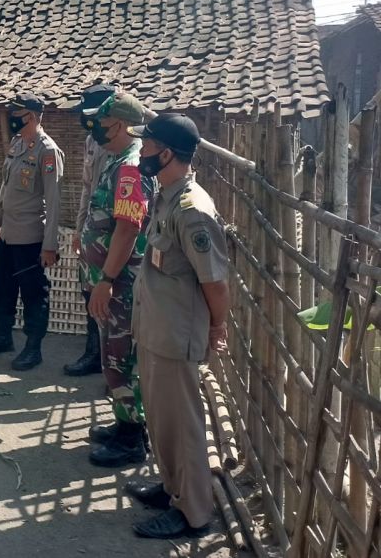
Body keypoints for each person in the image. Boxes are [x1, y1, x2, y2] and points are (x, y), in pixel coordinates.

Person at [124, 113, 229, 539]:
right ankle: (173, 490)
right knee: (162, 420)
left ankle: (195, 514)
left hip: (177, 334)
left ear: (166, 153)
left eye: (147, 145)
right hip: (156, 329)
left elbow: (216, 283)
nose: (142, 151)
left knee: (183, 426)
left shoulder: (192, 211)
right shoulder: (167, 195)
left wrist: (217, 328)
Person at [81, 91, 155, 467]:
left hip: (121, 284)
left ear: (122, 125)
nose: (95, 129)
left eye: (101, 123)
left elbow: (127, 230)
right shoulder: (119, 161)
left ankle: (131, 438)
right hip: (112, 281)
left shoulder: (130, 166)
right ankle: (122, 424)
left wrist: (106, 279)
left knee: (119, 356)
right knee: (113, 354)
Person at [0, 93, 64, 371]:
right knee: (2, 287)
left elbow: (53, 200)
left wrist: (49, 245)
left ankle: (32, 348)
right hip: (7, 234)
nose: (13, 119)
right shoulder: (17, 144)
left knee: (33, 294)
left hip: (30, 237)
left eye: (17, 114)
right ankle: (3, 336)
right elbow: (6, 186)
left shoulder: (47, 151)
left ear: (32, 116)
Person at [63, 83, 117, 376]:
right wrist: (78, 228)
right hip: (92, 232)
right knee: (89, 294)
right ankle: (94, 354)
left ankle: (111, 362)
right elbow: (87, 187)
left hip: (113, 233)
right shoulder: (91, 141)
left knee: (112, 298)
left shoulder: (124, 144)